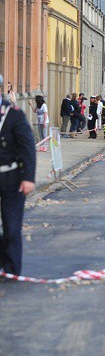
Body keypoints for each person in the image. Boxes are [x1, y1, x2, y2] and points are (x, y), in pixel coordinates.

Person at [0, 95, 36, 276]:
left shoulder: (14, 115)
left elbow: (27, 146)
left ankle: (12, 272)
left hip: (11, 178)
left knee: (11, 228)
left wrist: (28, 177)